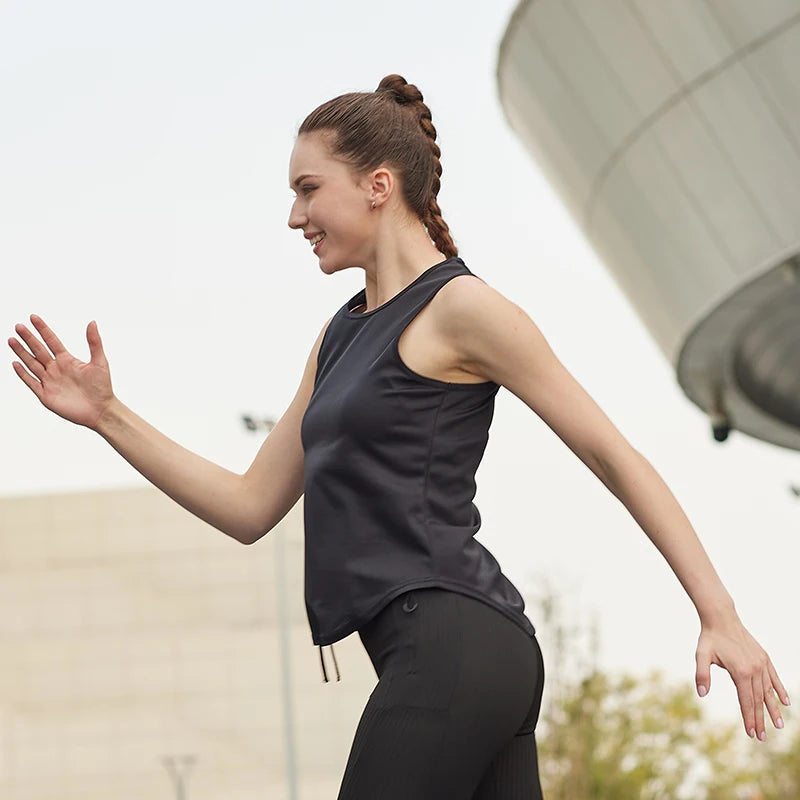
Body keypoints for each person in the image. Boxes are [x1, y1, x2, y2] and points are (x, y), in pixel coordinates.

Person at [8, 74, 789, 799]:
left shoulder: (463, 309)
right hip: (460, 655)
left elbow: (612, 455)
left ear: (378, 185)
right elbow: (249, 507)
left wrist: (718, 613)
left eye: (308, 189)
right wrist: (108, 415)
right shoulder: (339, 336)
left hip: (453, 644)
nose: (294, 217)